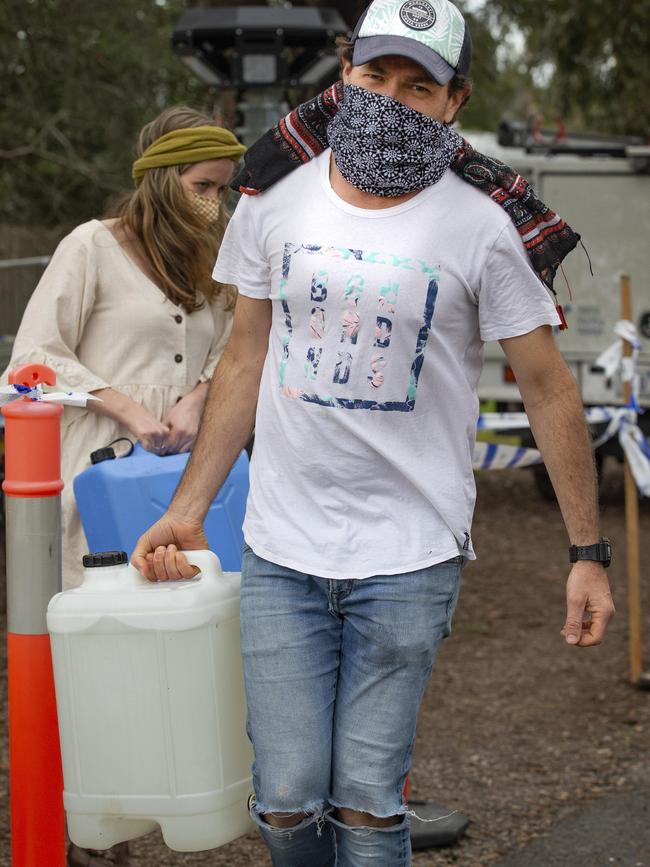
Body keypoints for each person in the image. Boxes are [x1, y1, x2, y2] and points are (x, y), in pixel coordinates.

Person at [133, 2, 615, 864]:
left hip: (410, 552)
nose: (391, 97)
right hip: (282, 545)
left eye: (417, 85)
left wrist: (588, 551)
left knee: (363, 801)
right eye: (376, 75)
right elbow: (244, 359)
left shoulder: (483, 225)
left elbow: (548, 389)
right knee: (283, 801)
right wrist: (190, 505)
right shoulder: (273, 197)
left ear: (453, 101)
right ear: (345, 71)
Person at [2, 105, 245, 867]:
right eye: (205, 185)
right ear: (165, 180)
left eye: (225, 188)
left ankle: (147, 804)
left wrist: (196, 398)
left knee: (165, 653)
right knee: (93, 662)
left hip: (179, 490)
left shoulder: (214, 262)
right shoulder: (92, 248)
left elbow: (235, 349)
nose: (218, 201)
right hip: (94, 489)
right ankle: (90, 835)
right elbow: (31, 360)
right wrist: (125, 403)